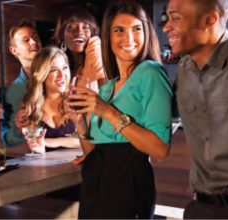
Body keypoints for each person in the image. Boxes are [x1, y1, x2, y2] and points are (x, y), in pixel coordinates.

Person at [162, 0, 228, 218]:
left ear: (209, 20)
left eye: (175, 18)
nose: (165, 27)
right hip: (200, 208)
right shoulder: (184, 69)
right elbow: (167, 123)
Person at [67, 1, 172, 218]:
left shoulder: (150, 72)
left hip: (128, 186)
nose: (129, 38)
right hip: (95, 185)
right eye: (119, 30)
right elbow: (93, 152)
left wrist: (108, 112)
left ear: (147, 33)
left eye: (136, 29)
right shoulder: (107, 88)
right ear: (108, 36)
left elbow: (160, 149)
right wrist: (79, 119)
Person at [19, 47, 80, 149]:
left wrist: (50, 142)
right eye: (54, 70)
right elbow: (32, 145)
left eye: (65, 68)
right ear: (42, 75)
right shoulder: (31, 106)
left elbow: (88, 141)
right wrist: (36, 146)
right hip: (45, 164)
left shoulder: (77, 100)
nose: (62, 75)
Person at [1, 20, 40, 147]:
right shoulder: (12, 92)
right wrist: (18, 128)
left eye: (35, 37)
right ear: (14, 50)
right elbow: (8, 140)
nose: (33, 42)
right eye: (26, 40)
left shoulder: (58, 78)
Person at [54, 7, 105, 87]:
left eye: (85, 27)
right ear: (62, 36)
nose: (79, 32)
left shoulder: (102, 62)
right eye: (72, 27)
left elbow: (108, 96)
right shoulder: (58, 66)